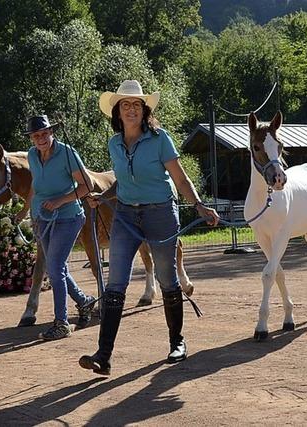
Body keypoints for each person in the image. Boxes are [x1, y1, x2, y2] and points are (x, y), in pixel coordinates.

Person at [79, 80, 220, 375]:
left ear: (144, 111)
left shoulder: (160, 139)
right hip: (126, 217)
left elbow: (180, 179)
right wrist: (103, 196)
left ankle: (177, 342)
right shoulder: (114, 144)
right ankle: (103, 356)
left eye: (136, 105)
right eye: (125, 105)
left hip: (161, 214)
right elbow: (123, 181)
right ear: (117, 112)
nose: (131, 110)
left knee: (168, 279)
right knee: (115, 283)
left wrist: (199, 205)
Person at [24, 114, 97, 340]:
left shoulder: (67, 153)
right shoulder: (32, 155)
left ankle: (61, 323)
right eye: (36, 135)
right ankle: (85, 302)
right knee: (56, 269)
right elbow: (36, 187)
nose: (41, 138)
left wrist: (61, 200)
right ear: (31, 139)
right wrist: (28, 211)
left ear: (51, 133)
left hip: (68, 216)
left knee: (55, 266)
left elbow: (88, 185)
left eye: (44, 133)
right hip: (42, 218)